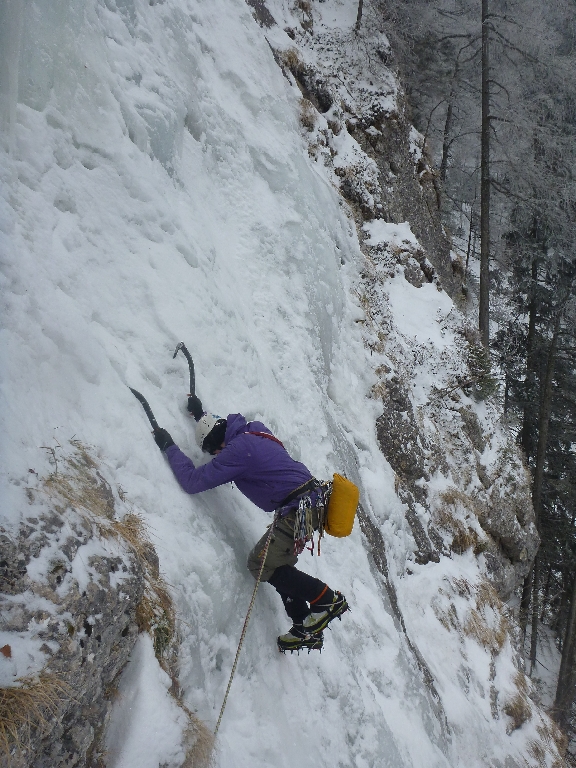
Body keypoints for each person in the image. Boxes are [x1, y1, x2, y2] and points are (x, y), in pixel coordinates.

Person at [152, 393, 348, 653]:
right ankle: (303, 626)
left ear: (217, 446)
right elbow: (220, 432)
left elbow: (192, 482)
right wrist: (201, 416)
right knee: (278, 563)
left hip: (298, 509)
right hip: (310, 503)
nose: (216, 457)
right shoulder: (254, 432)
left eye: (213, 453)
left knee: (259, 563)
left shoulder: (236, 451)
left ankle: (325, 600)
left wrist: (169, 447)